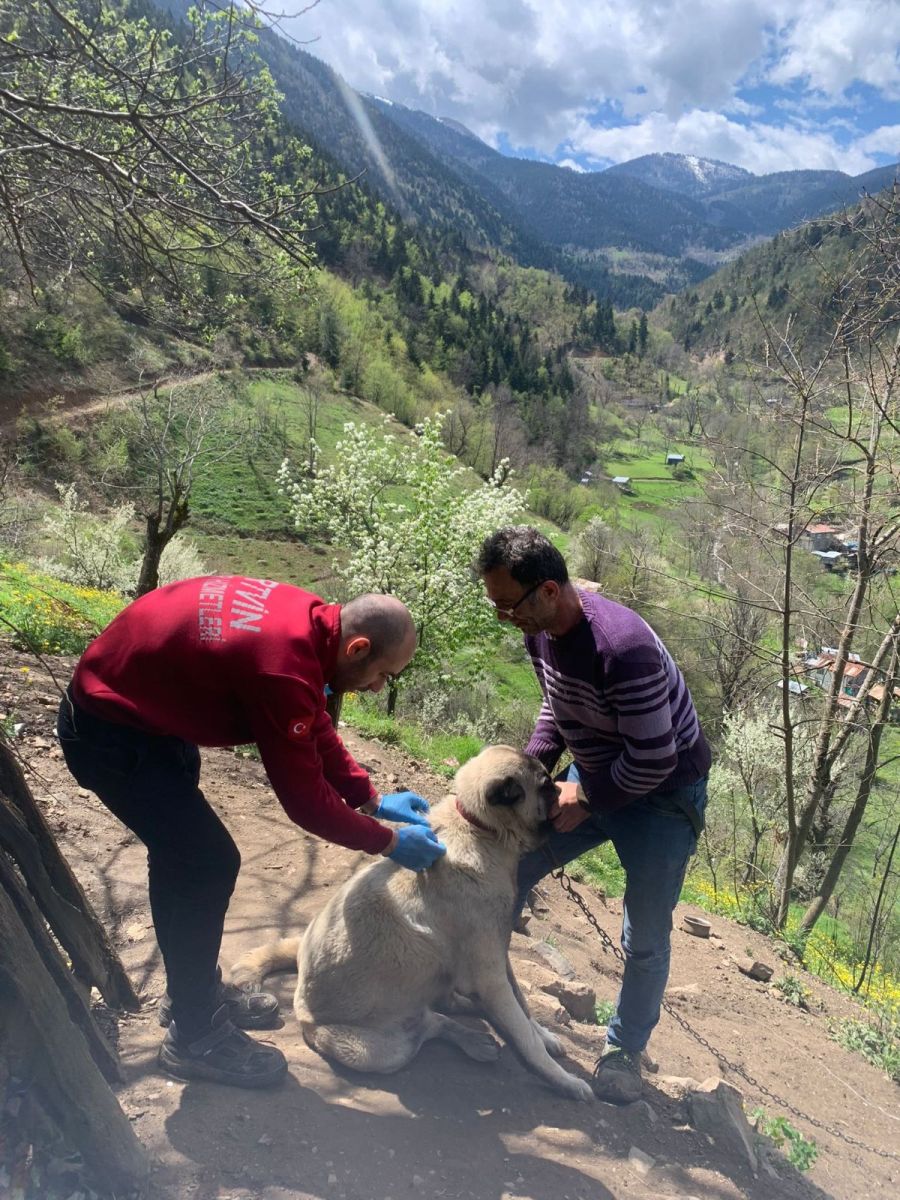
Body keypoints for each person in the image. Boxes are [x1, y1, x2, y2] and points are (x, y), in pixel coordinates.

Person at [57, 575, 446, 1089]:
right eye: (382, 674)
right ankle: (194, 1036)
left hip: (151, 720)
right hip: (109, 732)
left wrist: (367, 796)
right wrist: (389, 842)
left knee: (182, 859)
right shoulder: (281, 666)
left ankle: (189, 994)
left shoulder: (309, 623)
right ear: (357, 648)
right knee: (206, 863)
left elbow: (311, 717)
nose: (378, 688)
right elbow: (304, 802)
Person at [475, 528, 710, 1103]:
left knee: (644, 931)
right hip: (600, 771)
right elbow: (557, 704)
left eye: (509, 605)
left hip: (662, 797)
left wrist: (585, 799)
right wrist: (533, 767)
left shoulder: (621, 649)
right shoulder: (541, 631)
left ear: (548, 590)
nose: (505, 618)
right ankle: (486, 991)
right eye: (496, 606)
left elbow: (655, 758)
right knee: (510, 869)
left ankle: (625, 1050)